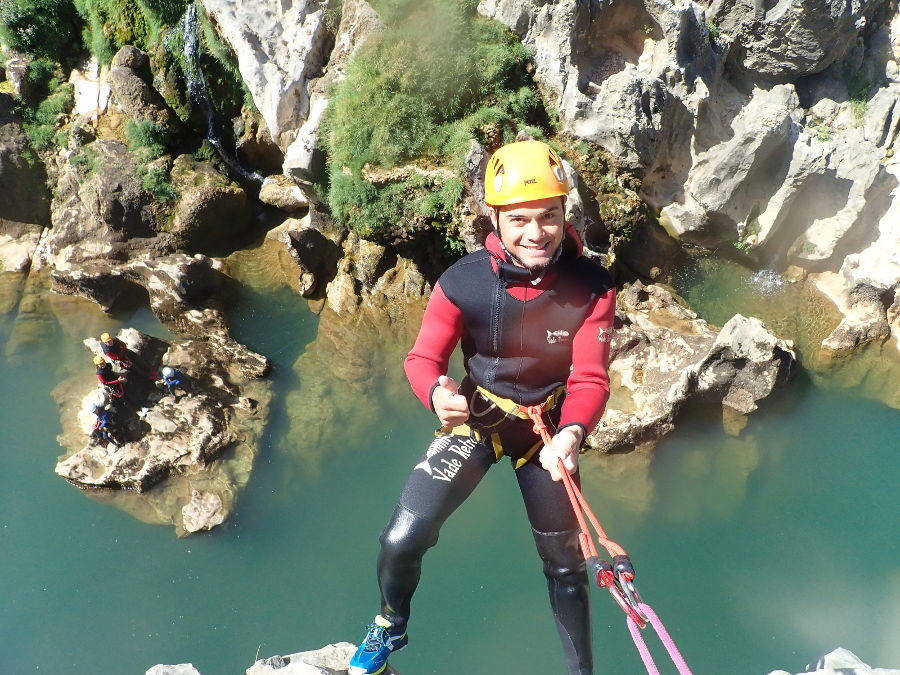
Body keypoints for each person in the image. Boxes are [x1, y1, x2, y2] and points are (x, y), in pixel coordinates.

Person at [348, 139, 616, 675]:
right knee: (401, 539)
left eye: (548, 216)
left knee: (566, 568)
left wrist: (571, 435)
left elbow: (590, 377)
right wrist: (435, 394)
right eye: (519, 219)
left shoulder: (593, 287)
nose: (536, 232)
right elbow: (423, 357)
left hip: (549, 435)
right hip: (478, 419)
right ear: (494, 218)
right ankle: (389, 625)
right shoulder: (463, 282)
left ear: (566, 213)